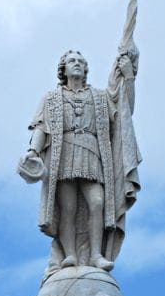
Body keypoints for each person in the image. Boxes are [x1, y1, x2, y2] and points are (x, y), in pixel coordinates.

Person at [19, 15, 141, 275]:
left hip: (92, 153)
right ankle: (71, 254)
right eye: (72, 61)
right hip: (63, 154)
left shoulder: (97, 96)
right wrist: (33, 151)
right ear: (63, 69)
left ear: (86, 70)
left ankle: (96, 255)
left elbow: (123, 110)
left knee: (97, 202)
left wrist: (128, 77)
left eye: (81, 62)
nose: (77, 65)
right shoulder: (51, 98)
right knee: (68, 207)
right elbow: (43, 127)